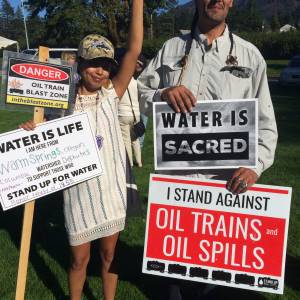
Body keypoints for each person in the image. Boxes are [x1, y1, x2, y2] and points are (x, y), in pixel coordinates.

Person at [138, 0, 277, 298]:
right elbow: (137, 93)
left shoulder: (250, 56)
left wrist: (256, 166)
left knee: (219, 283)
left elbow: (266, 122)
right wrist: (163, 92)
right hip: (178, 189)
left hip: (225, 189)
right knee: (174, 280)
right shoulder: (171, 48)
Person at [19, 1, 143, 299]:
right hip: (78, 194)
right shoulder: (62, 103)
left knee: (110, 256)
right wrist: (30, 130)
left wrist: (136, 3)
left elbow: (135, 48)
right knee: (78, 259)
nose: (101, 71)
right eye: (94, 63)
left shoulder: (112, 94)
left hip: (111, 191)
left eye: (107, 65)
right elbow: (43, 136)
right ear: (79, 64)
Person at [118, 54, 146, 167]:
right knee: (135, 140)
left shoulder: (120, 81)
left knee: (126, 141)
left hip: (123, 114)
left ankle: (128, 164)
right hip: (136, 114)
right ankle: (139, 162)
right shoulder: (135, 81)